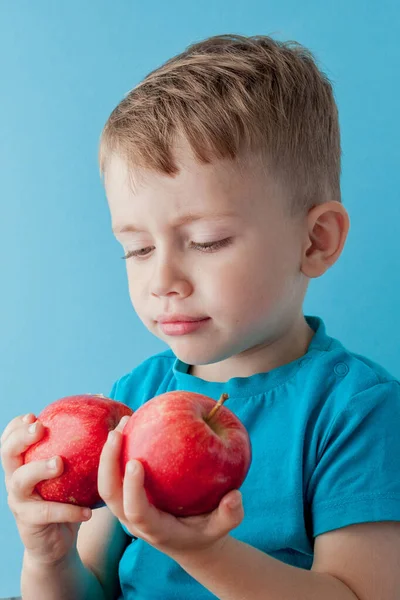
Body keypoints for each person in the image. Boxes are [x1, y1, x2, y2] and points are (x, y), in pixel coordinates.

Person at [2, 33, 400, 600]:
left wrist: (202, 551)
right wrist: (47, 557)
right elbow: (89, 590)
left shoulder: (358, 411)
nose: (162, 281)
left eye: (208, 242)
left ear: (314, 241)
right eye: (138, 249)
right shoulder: (133, 398)